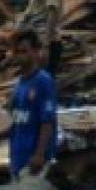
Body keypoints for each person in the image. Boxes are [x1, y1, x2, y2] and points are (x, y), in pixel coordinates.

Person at [8, 28, 57, 180]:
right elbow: (16, 119)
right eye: (17, 52)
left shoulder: (43, 81)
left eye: (24, 51)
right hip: (17, 157)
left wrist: (39, 154)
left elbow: (47, 120)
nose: (20, 56)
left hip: (33, 161)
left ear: (36, 52)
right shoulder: (19, 84)